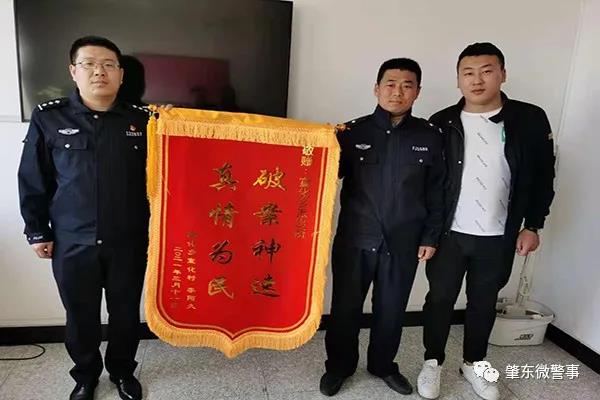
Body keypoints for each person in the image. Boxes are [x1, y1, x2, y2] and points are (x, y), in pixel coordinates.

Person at [417, 42, 555, 400]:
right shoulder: (442, 122)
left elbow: (544, 175)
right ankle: (432, 361)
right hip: (449, 234)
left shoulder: (529, 118)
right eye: (468, 73)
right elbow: (429, 183)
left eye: (487, 71)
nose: (477, 80)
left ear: (503, 74)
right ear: (458, 80)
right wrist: (427, 232)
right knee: (439, 299)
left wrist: (533, 225)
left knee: (483, 301)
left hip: (499, 235)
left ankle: (475, 362)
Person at [17, 36, 151, 400]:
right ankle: (85, 376)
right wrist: (37, 231)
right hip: (72, 241)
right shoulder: (49, 117)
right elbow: (32, 177)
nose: (99, 72)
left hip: (128, 240)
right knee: (80, 316)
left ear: (121, 74)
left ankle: (122, 372)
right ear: (73, 71)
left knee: (125, 313)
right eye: (89, 64)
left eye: (108, 65)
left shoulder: (144, 120)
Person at [320, 58, 445, 396]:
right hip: (355, 239)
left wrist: (431, 236)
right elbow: (322, 177)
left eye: (407, 85)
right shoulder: (351, 133)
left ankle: (383, 366)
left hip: (404, 241)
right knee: (345, 309)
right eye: (390, 84)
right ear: (376, 89)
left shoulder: (430, 137)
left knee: (391, 311)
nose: (397, 91)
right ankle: (339, 367)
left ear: (417, 92)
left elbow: (437, 191)